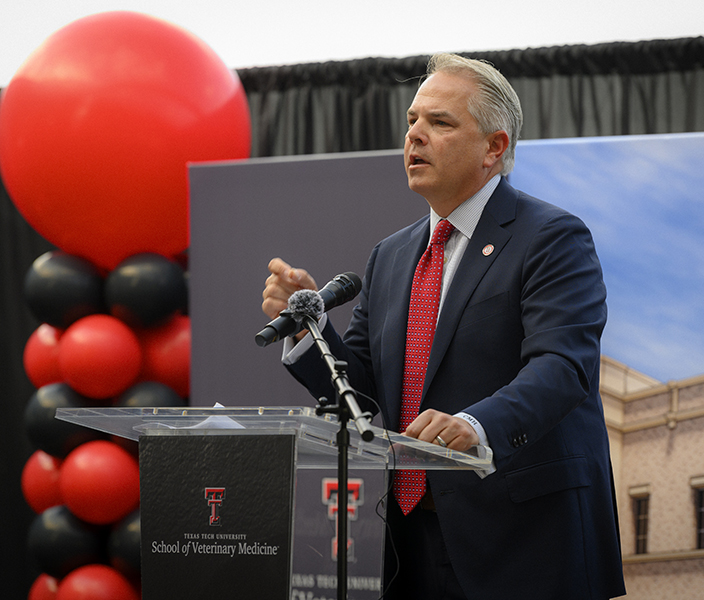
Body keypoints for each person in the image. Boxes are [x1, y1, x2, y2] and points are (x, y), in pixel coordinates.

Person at [261, 53, 625, 600]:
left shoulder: (551, 237)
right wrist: (306, 327)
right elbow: (358, 385)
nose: (415, 136)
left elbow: (563, 367)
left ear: (494, 148)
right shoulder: (390, 255)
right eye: (411, 121)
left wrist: (475, 427)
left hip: (524, 539)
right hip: (409, 538)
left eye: (440, 122)